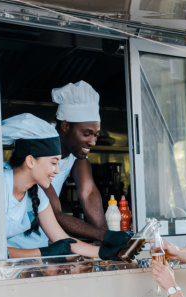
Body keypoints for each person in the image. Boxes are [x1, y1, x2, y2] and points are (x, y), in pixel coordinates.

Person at [2, 113, 124, 261]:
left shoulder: (37, 192)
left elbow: (62, 239)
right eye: (53, 163)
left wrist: (106, 252)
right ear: (30, 161)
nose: (57, 171)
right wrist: (43, 253)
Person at [38, 80, 127, 245]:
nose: (93, 142)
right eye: (87, 133)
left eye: (96, 134)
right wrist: (104, 236)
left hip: (43, 237)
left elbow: (89, 192)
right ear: (65, 126)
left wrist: (108, 238)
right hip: (16, 244)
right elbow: (55, 212)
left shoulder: (75, 152)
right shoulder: (42, 148)